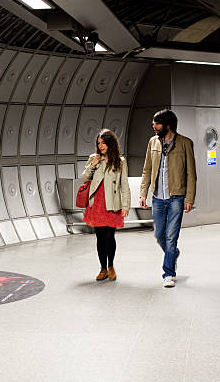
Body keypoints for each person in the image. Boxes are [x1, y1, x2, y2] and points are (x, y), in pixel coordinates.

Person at [139, 109, 197, 288]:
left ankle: (169, 273)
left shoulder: (185, 143)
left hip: (176, 197)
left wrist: (190, 198)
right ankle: (173, 254)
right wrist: (143, 193)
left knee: (171, 237)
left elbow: (191, 173)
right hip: (158, 197)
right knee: (159, 235)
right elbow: (147, 169)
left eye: (157, 123)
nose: (154, 127)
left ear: (168, 125)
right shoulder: (152, 142)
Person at [81, 129, 130, 282]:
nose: (101, 146)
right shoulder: (94, 158)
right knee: (100, 237)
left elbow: (124, 185)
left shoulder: (119, 161)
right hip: (97, 203)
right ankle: (102, 268)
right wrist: (93, 165)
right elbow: (84, 178)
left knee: (110, 236)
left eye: (104, 143)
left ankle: (111, 266)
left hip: (112, 203)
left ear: (111, 143)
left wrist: (126, 205)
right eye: (99, 143)